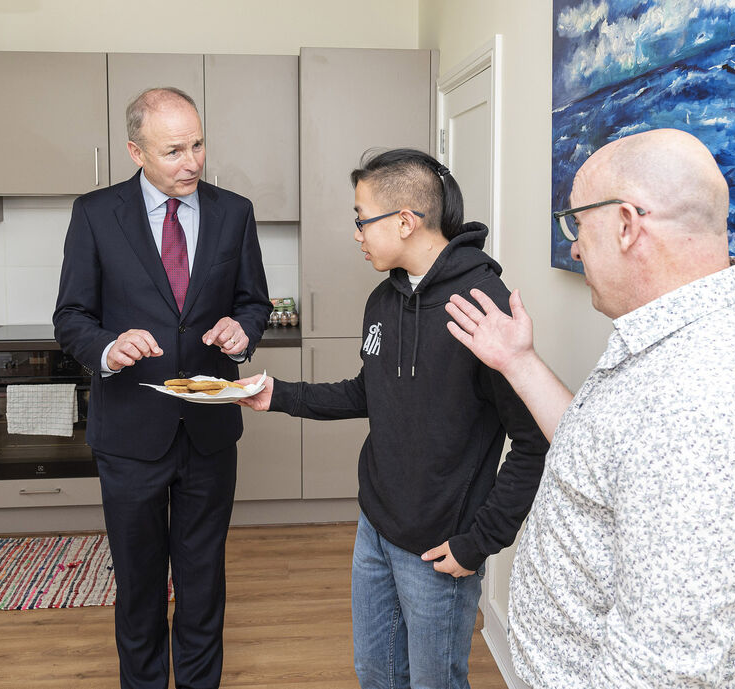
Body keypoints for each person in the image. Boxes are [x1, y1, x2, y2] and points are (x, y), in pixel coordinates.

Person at [444, 128, 735, 687]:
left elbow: (659, 670)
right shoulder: (672, 342)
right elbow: (602, 456)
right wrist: (518, 361)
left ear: (625, 225)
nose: (573, 246)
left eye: (577, 223)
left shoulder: (707, 403)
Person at [238, 148, 549, 689]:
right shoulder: (384, 299)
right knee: (376, 674)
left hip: (438, 548)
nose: (357, 234)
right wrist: (278, 394)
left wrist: (479, 542)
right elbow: (370, 391)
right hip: (375, 528)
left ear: (405, 220)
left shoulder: (481, 306)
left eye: (362, 219)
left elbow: (533, 442)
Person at [53, 87, 271, 689]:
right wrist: (105, 347)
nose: (193, 161)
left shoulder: (234, 211)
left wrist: (242, 329)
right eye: (174, 150)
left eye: (198, 144)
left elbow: (255, 300)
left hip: (209, 430)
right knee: (139, 584)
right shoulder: (95, 214)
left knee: (203, 582)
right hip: (129, 433)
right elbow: (71, 315)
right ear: (136, 152)